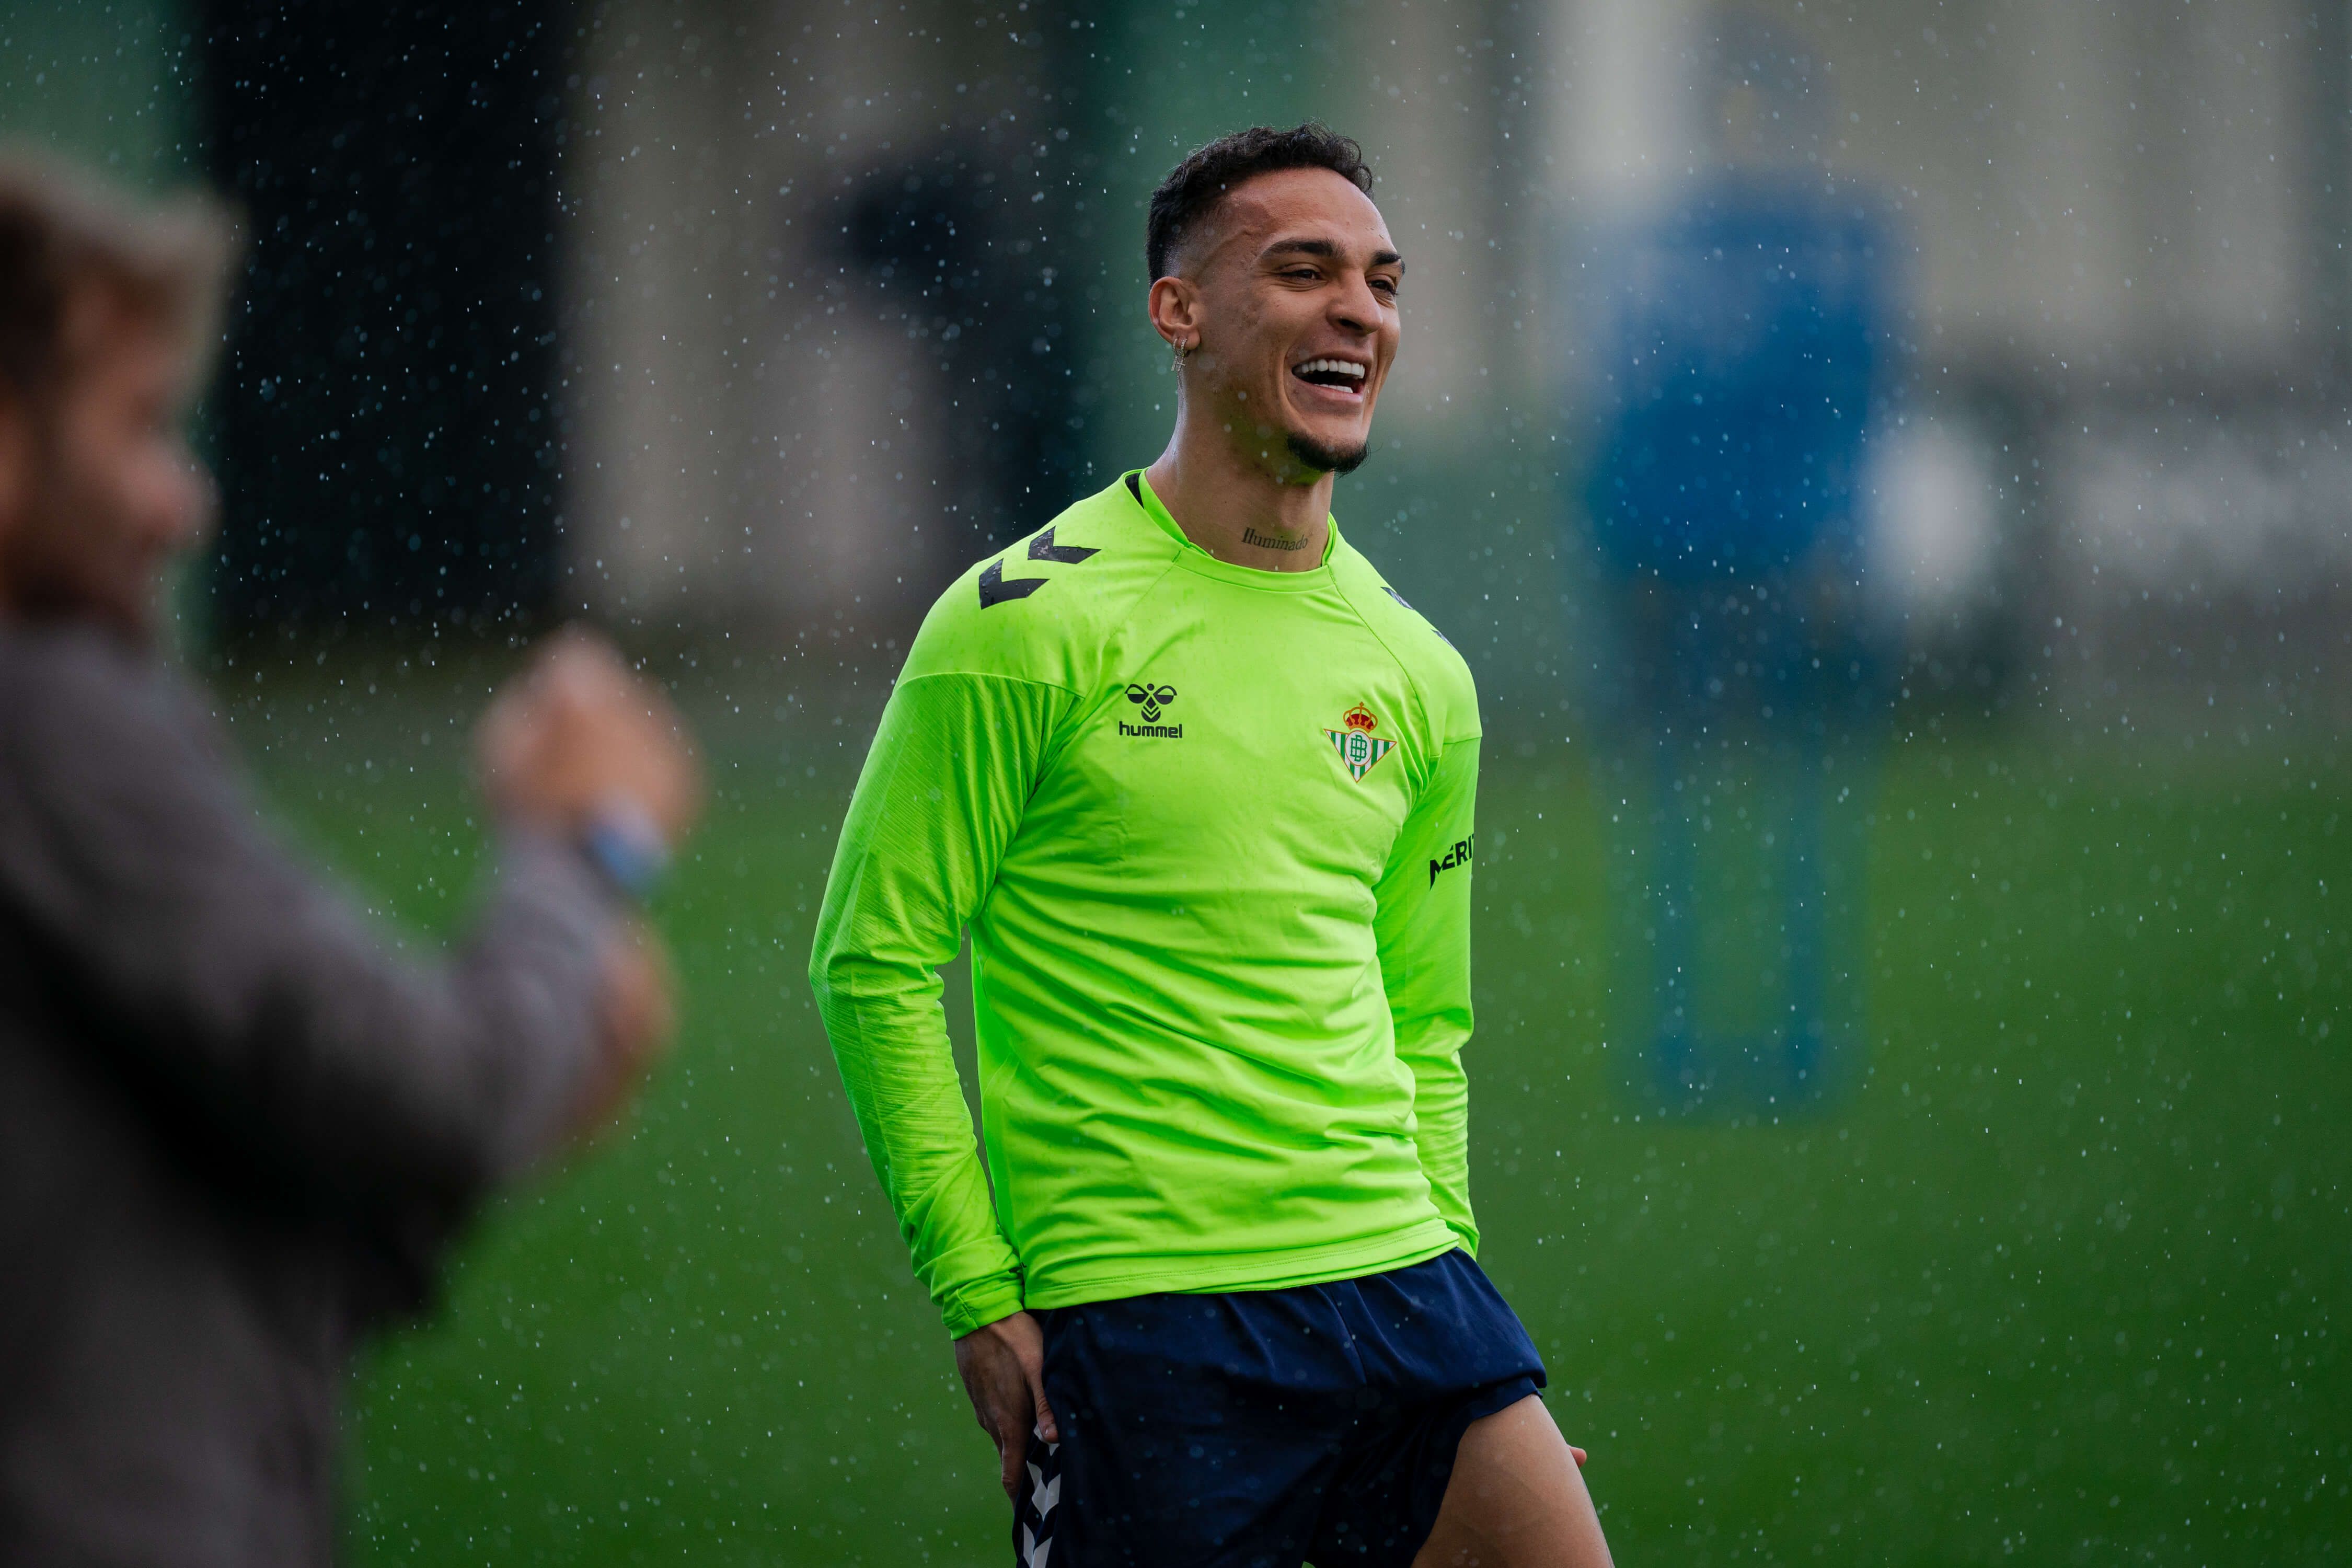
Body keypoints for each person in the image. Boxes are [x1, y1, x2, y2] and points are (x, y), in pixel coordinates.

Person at [810, 124, 1613, 1567]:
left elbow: (1424, 1022)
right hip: (1151, 1321)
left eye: (1379, 280)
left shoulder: (1417, 670)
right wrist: (978, 1294)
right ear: (1177, 311)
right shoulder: (1020, 625)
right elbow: (870, 958)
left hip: (1405, 1291)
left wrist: (1467, 1327)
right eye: (1300, 271)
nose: (1356, 308)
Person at [0, 151, 701, 1566]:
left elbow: (160, 1250)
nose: (177, 503)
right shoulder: (41, 709)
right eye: (135, 428)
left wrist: (524, 1081)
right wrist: (586, 851)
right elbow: (419, 1088)